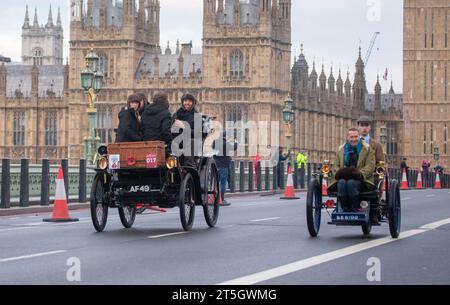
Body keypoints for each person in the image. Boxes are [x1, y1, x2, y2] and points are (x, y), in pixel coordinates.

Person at [329, 128, 376, 212]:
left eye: (355, 137)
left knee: (351, 183)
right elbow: (335, 165)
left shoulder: (368, 149)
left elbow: (370, 166)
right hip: (343, 178)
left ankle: (355, 207)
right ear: (348, 137)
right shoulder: (341, 149)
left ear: (359, 137)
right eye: (351, 137)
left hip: (361, 179)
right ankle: (344, 207)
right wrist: (339, 173)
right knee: (341, 183)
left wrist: (360, 174)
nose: (353, 139)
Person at [172, 93, 200, 168]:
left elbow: (197, 134)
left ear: (193, 102)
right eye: (185, 101)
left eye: (189, 101)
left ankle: (190, 168)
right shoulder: (177, 113)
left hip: (191, 141)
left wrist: (184, 127)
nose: (187, 103)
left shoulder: (196, 115)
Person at [213, 131, 238, 206]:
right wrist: (236, 142)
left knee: (216, 183)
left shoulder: (215, 142)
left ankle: (214, 198)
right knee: (223, 183)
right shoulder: (226, 143)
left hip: (216, 165)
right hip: (223, 166)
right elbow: (234, 147)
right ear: (225, 136)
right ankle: (222, 199)